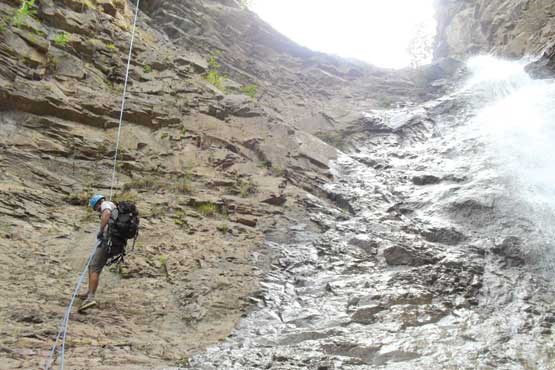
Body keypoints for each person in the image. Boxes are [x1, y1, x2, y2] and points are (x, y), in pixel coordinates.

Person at [79, 194, 126, 312]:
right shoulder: (114, 207)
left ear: (97, 204)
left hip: (109, 242)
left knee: (94, 266)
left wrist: (101, 231)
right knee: (92, 264)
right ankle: (89, 292)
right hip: (117, 243)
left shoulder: (106, 205)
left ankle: (90, 298)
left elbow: (106, 214)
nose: (97, 211)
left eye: (96, 209)